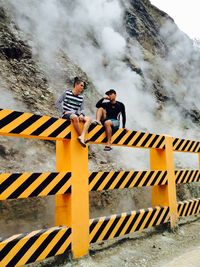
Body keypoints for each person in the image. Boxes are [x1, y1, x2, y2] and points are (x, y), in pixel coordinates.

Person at [55, 77, 91, 147]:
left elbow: (82, 109)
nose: (82, 88)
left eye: (83, 86)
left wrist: (81, 114)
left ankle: (82, 137)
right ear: (76, 85)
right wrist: (63, 111)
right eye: (81, 85)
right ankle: (81, 136)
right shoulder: (66, 92)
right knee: (74, 117)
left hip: (75, 114)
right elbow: (57, 103)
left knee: (89, 119)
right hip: (67, 114)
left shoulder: (81, 98)